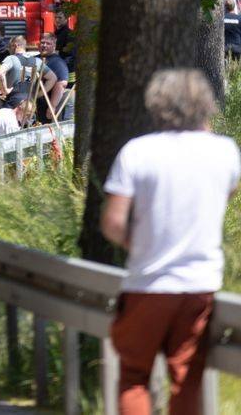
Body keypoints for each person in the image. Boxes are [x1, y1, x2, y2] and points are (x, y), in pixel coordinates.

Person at [100, 69, 240, 415]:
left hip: (148, 283)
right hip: (199, 286)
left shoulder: (137, 152)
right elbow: (228, 192)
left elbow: (114, 223)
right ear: (206, 105)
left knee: (134, 376)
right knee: (187, 378)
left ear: (157, 105)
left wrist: (143, 247)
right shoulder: (224, 152)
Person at [0, 36, 41, 108]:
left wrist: (5, 91)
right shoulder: (37, 61)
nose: (9, 50)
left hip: (14, 100)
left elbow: (0, 73)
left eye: (9, 47)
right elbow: (52, 78)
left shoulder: (11, 58)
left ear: (15, 45)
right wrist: (38, 94)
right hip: (30, 101)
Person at [37, 33, 69, 123]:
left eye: (48, 43)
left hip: (45, 104)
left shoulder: (57, 63)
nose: (44, 45)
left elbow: (61, 84)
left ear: (54, 45)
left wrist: (52, 106)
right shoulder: (36, 59)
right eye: (42, 43)